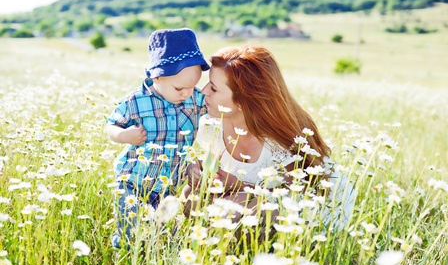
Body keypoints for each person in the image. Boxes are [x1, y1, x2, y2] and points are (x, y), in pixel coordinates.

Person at [182, 44, 354, 232]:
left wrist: (241, 186)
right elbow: (215, 167)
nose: (203, 90)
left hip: (313, 208)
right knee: (191, 197)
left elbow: (304, 195)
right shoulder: (211, 125)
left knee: (233, 208)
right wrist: (197, 169)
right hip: (253, 196)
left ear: (242, 102)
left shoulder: (281, 142)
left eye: (214, 88)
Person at [106, 28, 210, 249]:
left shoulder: (195, 98)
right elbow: (111, 125)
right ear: (156, 77)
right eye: (180, 87)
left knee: (168, 231)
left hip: (169, 183)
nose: (187, 93)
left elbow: (218, 113)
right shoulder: (135, 101)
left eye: (193, 86)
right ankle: (124, 255)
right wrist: (125, 135)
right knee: (129, 224)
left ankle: (158, 256)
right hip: (132, 178)